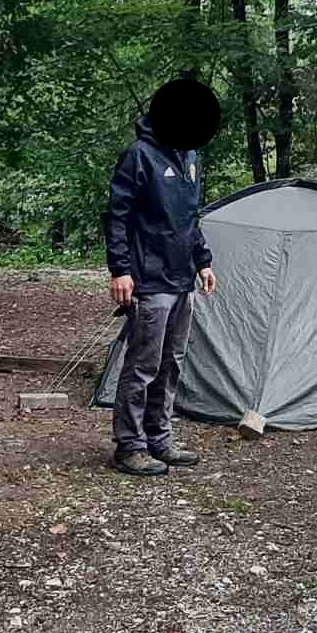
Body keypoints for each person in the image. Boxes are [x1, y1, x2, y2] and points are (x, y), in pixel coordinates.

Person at [103, 79, 221, 477]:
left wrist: (203, 261)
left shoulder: (190, 156)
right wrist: (120, 269)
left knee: (172, 363)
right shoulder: (139, 156)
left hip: (182, 278)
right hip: (149, 279)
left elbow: (190, 218)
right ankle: (129, 446)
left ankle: (159, 438)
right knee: (143, 364)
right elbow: (117, 217)